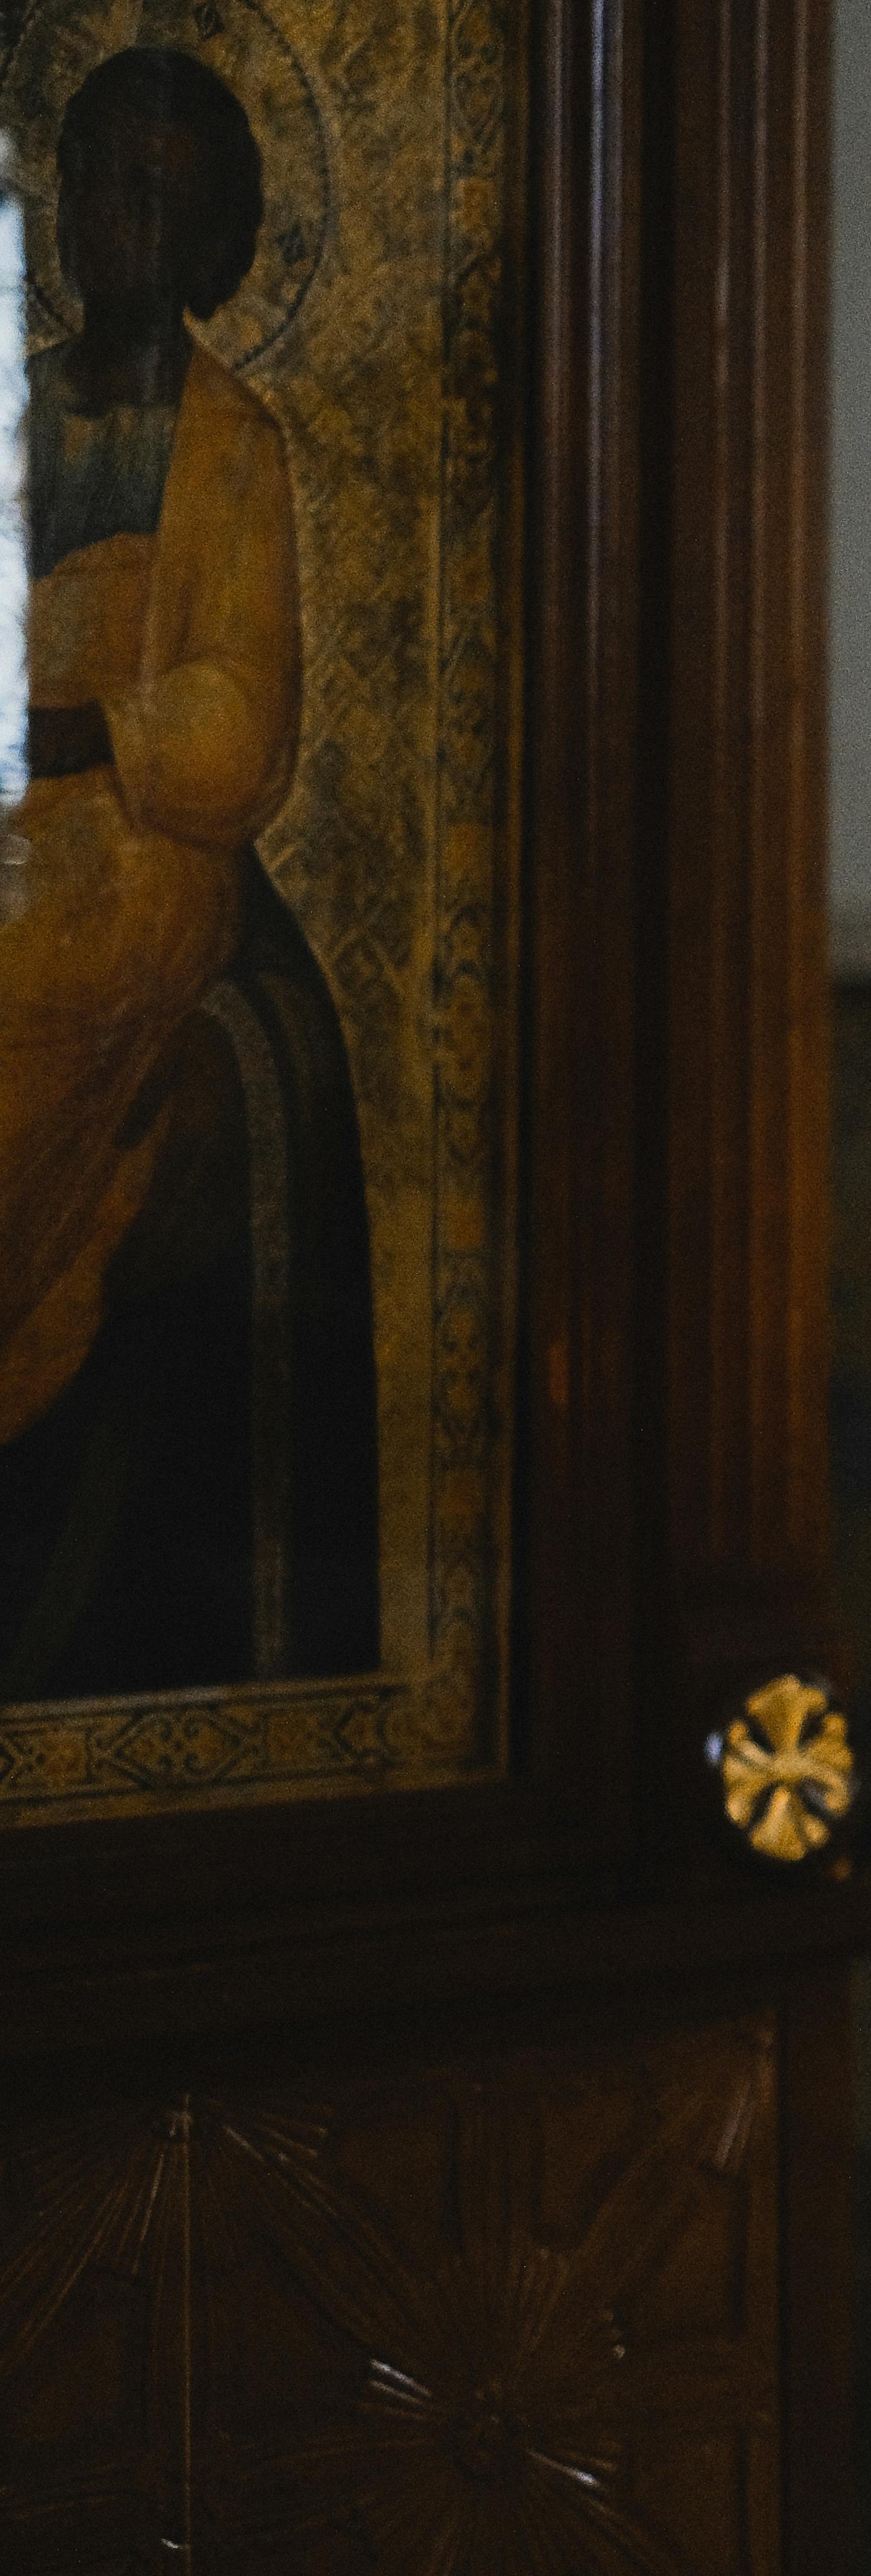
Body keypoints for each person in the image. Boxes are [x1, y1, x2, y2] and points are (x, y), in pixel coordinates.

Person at [0, 45, 375, 1696]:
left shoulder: (232, 448)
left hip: (134, 876)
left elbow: (245, 727)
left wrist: (90, 717)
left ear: (214, 231)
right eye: (89, 180)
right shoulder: (11, 402)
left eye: (151, 190)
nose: (112, 220)